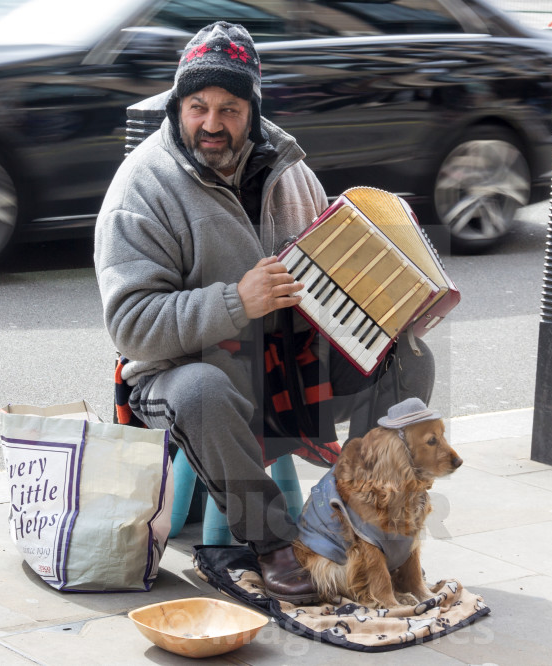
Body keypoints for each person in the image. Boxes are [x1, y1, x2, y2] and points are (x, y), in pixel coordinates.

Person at [93, 21, 434, 605]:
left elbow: (330, 274)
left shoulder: (291, 169)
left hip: (286, 367)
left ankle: (363, 519)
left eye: (229, 108)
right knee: (202, 389)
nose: (212, 123)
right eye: (197, 106)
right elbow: (131, 326)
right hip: (178, 376)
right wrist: (236, 301)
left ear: (252, 108)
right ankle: (275, 545)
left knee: (406, 359)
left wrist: (387, 306)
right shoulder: (141, 188)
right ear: (178, 106)